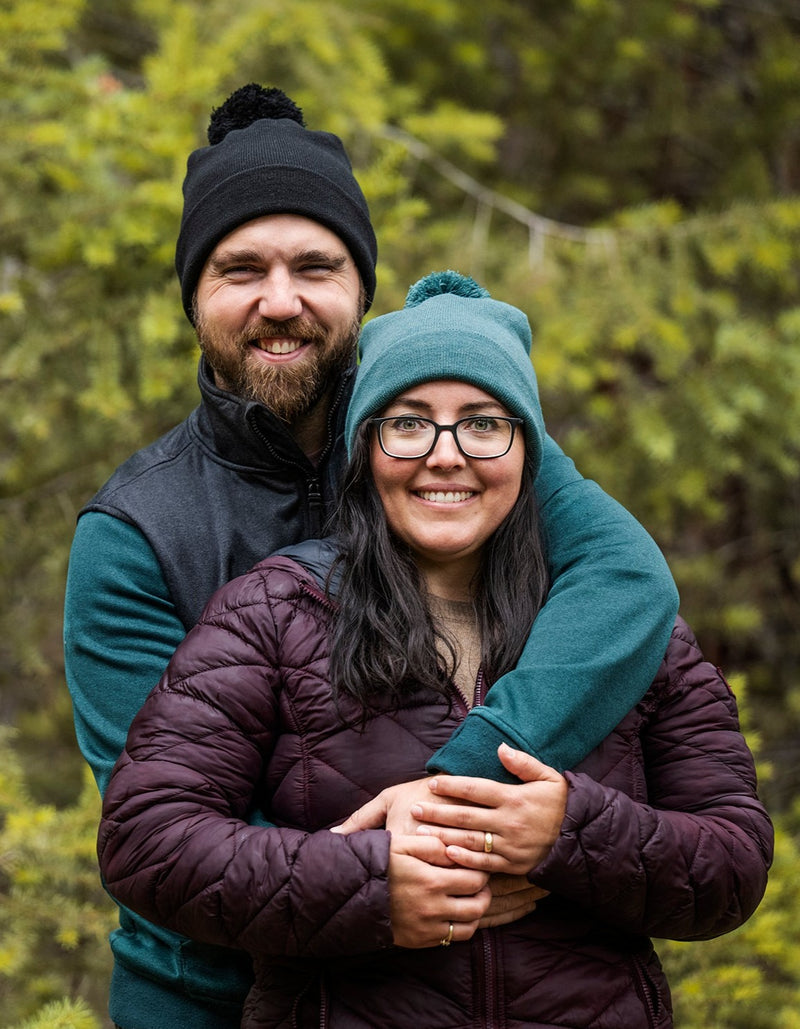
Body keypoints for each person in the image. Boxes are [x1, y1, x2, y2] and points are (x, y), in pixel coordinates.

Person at [64, 85, 679, 1029]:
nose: (280, 301)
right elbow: (157, 825)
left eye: (315, 265)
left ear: (361, 289)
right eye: (240, 269)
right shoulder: (137, 529)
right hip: (205, 998)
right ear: (194, 295)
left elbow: (629, 576)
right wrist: (381, 877)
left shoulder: (453, 431)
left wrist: (452, 796)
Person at [97, 271, 772, 1029]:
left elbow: (734, 861)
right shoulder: (277, 614)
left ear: (529, 451)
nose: (445, 454)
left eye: (483, 422)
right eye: (409, 422)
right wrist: (371, 883)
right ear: (366, 448)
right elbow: (146, 839)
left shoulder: (627, 635)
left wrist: (570, 830)